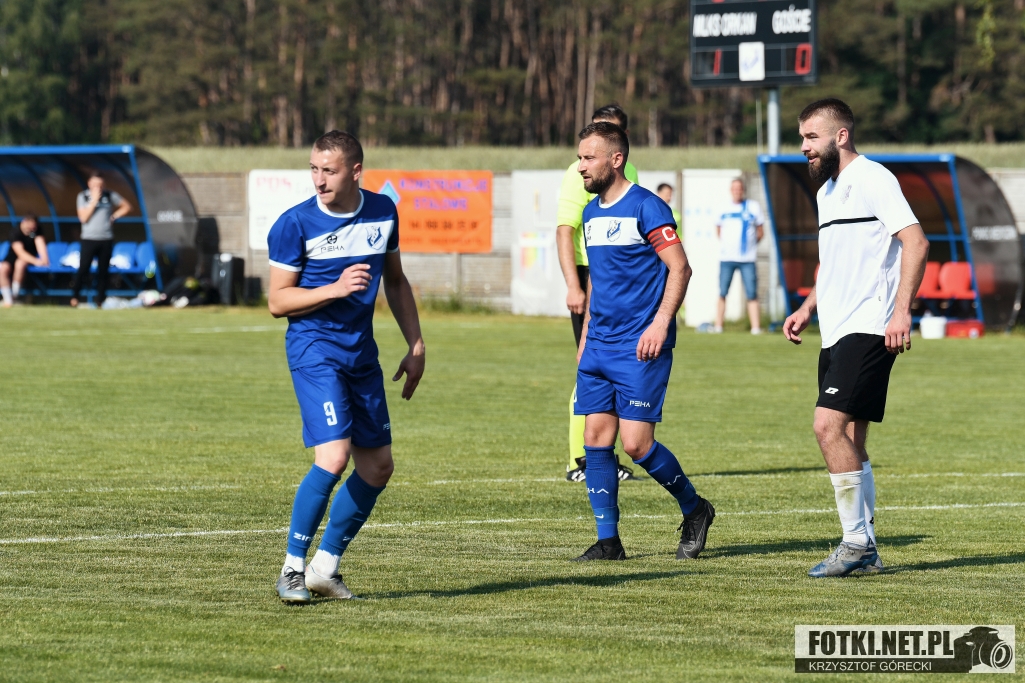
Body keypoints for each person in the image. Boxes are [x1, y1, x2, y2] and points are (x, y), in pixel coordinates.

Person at [267, 130, 425, 604]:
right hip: (314, 350)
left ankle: (325, 567)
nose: (319, 180)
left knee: (377, 467)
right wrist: (333, 289)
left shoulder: (382, 211)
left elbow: (395, 281)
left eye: (329, 171)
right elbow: (277, 301)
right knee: (334, 457)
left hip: (361, 354)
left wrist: (416, 344)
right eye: (313, 169)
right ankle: (292, 569)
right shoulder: (294, 223)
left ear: (356, 171)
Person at [783, 98, 929, 578]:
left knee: (826, 426)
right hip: (836, 329)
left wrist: (901, 313)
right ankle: (867, 550)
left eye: (811, 137)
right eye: (802, 138)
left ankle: (856, 544)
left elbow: (916, 241)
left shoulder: (873, 178)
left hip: (870, 325)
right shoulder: (827, 192)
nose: (804, 147)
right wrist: (808, 307)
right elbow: (833, 262)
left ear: (840, 136)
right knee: (849, 436)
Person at [572, 121, 715, 561]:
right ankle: (608, 542)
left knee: (635, 445)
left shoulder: (647, 207)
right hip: (598, 344)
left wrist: (660, 323)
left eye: (589, 158)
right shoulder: (590, 213)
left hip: (640, 345)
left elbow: (680, 268)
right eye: (579, 158)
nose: (581, 166)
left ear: (616, 159)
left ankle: (696, 509)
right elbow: (597, 280)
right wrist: (585, 338)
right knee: (595, 440)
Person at [557, 104, 640, 483]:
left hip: (619, 281)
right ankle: (580, 460)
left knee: (618, 371)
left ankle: (605, 455)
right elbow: (564, 229)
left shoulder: (630, 175)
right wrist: (574, 285)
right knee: (590, 368)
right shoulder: (578, 175)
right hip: (590, 275)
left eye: (607, 131)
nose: (586, 158)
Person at [72, 172, 133, 307]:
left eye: (100, 185)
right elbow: (83, 218)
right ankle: (75, 297)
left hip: (106, 238)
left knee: (103, 271)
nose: (98, 187)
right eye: (95, 184)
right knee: (83, 269)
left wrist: (114, 216)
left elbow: (127, 206)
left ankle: (100, 300)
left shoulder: (110, 195)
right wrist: (94, 201)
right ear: (89, 184)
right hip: (89, 239)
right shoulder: (83, 196)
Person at [712, 178, 764, 334]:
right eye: (734, 188)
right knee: (722, 292)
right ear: (731, 190)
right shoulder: (723, 208)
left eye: (739, 188)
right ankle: (718, 326)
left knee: (751, 293)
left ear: (743, 190)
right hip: (727, 258)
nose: (737, 191)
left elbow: (760, 231)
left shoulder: (753, 207)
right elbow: (719, 230)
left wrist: (750, 246)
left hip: (747, 259)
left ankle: (755, 328)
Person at [1, 215, 48, 307]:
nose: (32, 228)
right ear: (24, 222)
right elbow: (20, 253)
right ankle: (7, 299)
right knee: (3, 269)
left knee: (20, 264)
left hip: (28, 258)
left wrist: (44, 260)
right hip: (13, 257)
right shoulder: (15, 232)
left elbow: (41, 246)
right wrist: (37, 261)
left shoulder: (36, 232)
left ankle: (14, 296)